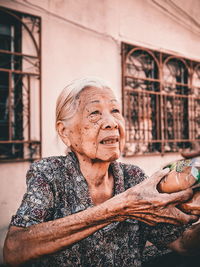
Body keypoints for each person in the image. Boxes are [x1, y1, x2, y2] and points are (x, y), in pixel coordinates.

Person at [3, 77, 200, 267]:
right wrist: (118, 208)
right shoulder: (49, 174)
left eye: (115, 111)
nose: (112, 123)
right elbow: (14, 249)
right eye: (95, 113)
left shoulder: (134, 177)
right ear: (64, 132)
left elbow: (183, 243)